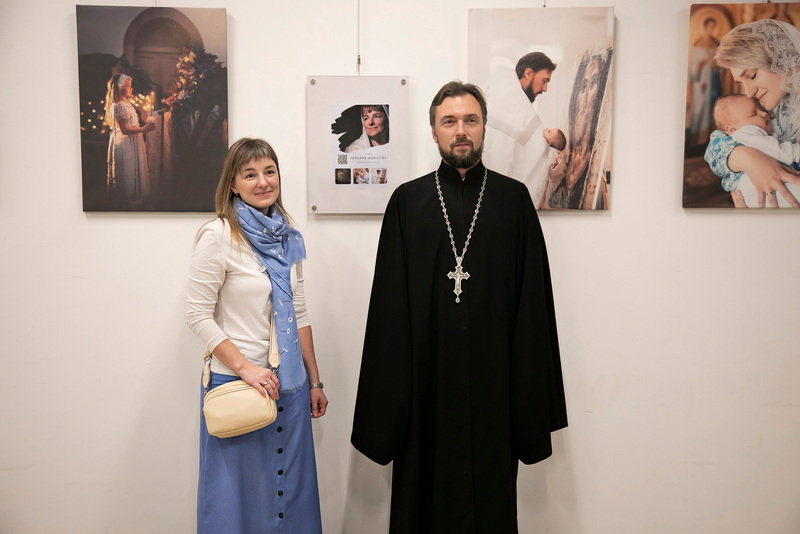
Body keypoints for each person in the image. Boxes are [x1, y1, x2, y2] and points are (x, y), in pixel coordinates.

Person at [351, 81, 567, 533]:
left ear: (485, 128)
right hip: (424, 387)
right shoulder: (407, 202)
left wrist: (528, 400)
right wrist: (387, 406)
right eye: (449, 121)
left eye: (471, 120)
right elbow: (388, 312)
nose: (461, 130)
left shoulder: (513, 201)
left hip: (495, 389)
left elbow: (533, 307)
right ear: (434, 131)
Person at [186, 138, 328, 533]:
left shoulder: (288, 237)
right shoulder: (218, 235)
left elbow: (299, 311)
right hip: (239, 385)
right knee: (236, 501)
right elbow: (197, 315)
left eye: (269, 171)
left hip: (289, 387)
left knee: (290, 498)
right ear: (233, 184)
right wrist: (247, 369)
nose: (263, 182)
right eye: (250, 174)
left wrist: (314, 380)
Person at [705, 18, 800, 208]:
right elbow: (717, 142)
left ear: (781, 60)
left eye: (752, 76)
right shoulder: (769, 107)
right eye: (741, 83)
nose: (749, 93)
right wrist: (747, 158)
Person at [482, 52, 557, 208]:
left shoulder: (500, 91)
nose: (545, 88)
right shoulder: (514, 104)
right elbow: (499, 153)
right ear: (528, 73)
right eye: (544, 80)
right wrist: (554, 151)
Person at [542, 48, 613, 210]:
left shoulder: (594, 157)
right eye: (583, 86)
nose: (586, 96)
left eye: (593, 84)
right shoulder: (562, 158)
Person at [713, 94, 800, 207]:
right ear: (731, 129)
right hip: (758, 189)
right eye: (753, 114)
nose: (764, 114)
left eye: (762, 109)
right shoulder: (747, 133)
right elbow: (781, 152)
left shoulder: (749, 131)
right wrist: (796, 149)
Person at [104, 73, 155, 208]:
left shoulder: (127, 104)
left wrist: (144, 127)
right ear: (120, 88)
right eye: (128, 86)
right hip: (125, 144)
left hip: (133, 142)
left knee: (133, 171)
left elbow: (132, 125)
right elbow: (125, 130)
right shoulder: (119, 106)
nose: (131, 89)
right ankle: (128, 204)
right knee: (127, 173)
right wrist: (143, 129)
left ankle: (135, 202)